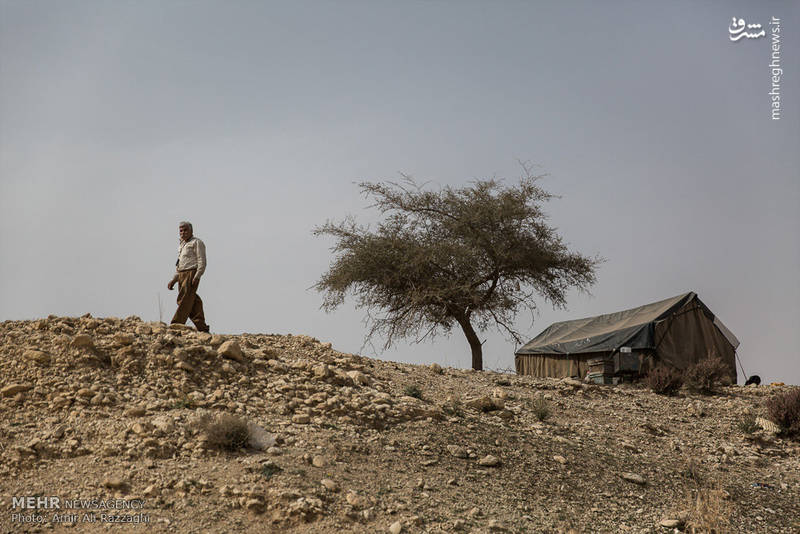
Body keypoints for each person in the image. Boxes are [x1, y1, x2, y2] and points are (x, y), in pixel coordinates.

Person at [167, 221, 210, 332]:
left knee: (184, 300)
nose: (183, 232)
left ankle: (176, 324)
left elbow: (202, 260)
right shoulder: (182, 245)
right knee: (193, 301)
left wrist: (197, 276)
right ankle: (202, 327)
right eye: (181, 230)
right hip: (182, 273)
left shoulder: (196, 242)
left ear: (191, 231)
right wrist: (174, 279)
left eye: (185, 230)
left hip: (191, 273)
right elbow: (180, 264)